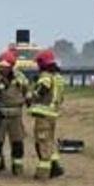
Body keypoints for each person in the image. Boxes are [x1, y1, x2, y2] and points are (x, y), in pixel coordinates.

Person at [0, 52, 29, 174]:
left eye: (6, 66)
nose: (3, 68)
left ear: (12, 66)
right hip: (0, 114)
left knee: (17, 142)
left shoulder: (20, 77)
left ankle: (17, 167)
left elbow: (26, 90)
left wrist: (28, 101)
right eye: (1, 66)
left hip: (16, 114)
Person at [29, 49, 68, 179]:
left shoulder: (45, 76)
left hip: (43, 115)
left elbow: (40, 92)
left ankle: (44, 172)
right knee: (50, 141)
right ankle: (56, 166)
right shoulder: (58, 77)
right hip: (53, 114)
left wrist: (30, 97)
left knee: (42, 142)